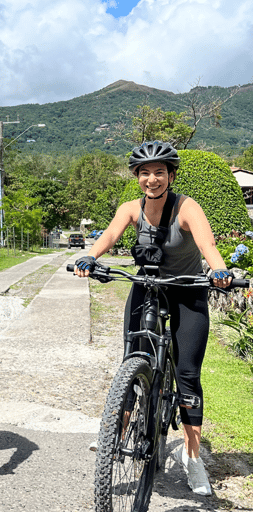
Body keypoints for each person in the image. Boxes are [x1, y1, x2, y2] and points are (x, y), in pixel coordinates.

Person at [73, 141, 232, 496]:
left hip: (187, 290)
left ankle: (193, 460)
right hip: (146, 287)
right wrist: (89, 257)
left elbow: (208, 247)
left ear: (171, 176)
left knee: (187, 375)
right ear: (137, 177)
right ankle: (117, 431)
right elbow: (109, 236)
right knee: (133, 361)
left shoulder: (187, 208)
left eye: (160, 172)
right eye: (145, 173)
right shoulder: (131, 208)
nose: (152, 179)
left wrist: (219, 272)